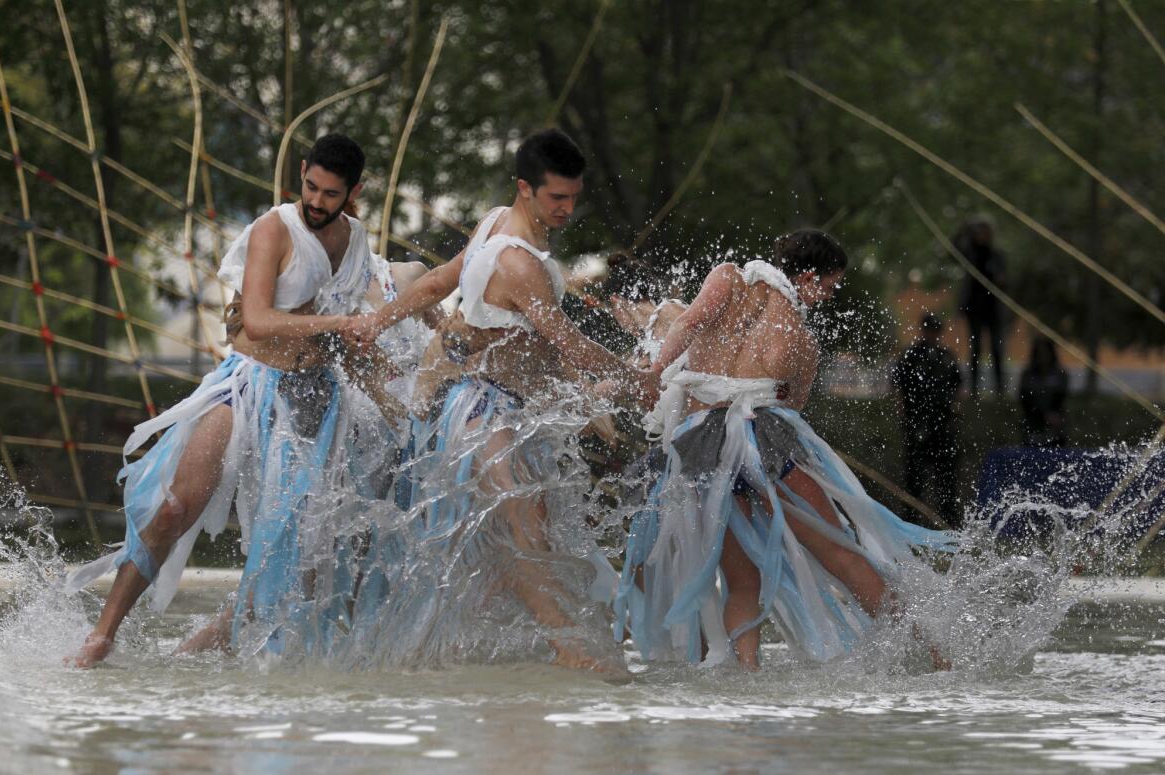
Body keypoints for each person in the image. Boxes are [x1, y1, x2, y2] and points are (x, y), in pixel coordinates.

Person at [64, 134, 429, 667]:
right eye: (311, 186)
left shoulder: (355, 243)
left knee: (292, 557)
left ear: (355, 191)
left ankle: (206, 655)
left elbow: (344, 341)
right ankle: (101, 635)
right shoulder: (273, 229)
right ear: (301, 173)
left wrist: (390, 389)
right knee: (173, 506)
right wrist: (343, 323)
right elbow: (256, 320)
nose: (317, 201)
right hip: (249, 383)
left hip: (316, 401)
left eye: (331, 193)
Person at [342, 128, 658, 675]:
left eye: (573, 196)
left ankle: (474, 650)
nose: (567, 208)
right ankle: (568, 647)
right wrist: (637, 379)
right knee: (522, 531)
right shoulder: (518, 261)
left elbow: (441, 279)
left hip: (509, 410)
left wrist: (377, 322)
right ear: (525, 188)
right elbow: (569, 343)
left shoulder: (496, 222)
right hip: (484, 413)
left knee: (520, 534)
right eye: (557, 197)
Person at [615, 230, 955, 669]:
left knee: (742, 581)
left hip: (700, 449)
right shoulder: (801, 340)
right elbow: (788, 411)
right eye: (829, 287)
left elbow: (686, 324)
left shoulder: (727, 279)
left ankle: (746, 676)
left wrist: (654, 372)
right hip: (761, 446)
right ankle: (932, 654)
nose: (828, 298)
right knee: (841, 553)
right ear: (809, 277)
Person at [891, 313, 963, 526]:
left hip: (942, 421)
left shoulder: (946, 356)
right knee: (914, 476)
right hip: (917, 420)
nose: (932, 334)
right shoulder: (911, 355)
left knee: (946, 476)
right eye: (929, 329)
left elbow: (957, 385)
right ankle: (911, 519)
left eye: (936, 330)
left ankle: (948, 518)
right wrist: (902, 412)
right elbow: (898, 385)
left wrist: (955, 412)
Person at [955, 218, 1007, 396]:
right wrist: (964, 229)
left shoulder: (996, 255)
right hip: (974, 309)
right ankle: (974, 390)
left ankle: (1000, 389)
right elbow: (954, 248)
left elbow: (1003, 277)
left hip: (992, 309)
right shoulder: (970, 253)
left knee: (996, 349)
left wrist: (1000, 278)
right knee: (976, 348)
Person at [1018, 336, 1069, 447]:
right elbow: (1026, 400)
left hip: (1055, 428)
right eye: (1040, 353)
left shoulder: (1060, 374)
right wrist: (1043, 415)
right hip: (1033, 426)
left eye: (1046, 353)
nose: (1043, 357)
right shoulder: (1028, 375)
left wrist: (1053, 416)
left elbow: (1060, 398)